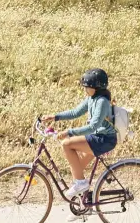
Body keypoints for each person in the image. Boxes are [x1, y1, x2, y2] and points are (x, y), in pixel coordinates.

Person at [41, 68, 117, 201]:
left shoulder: (102, 102)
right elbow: (75, 112)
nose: (85, 89)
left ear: (97, 87)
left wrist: (69, 132)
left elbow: (93, 126)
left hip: (105, 139)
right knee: (77, 169)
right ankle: (83, 206)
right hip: (97, 137)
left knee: (67, 144)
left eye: (87, 87)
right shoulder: (92, 99)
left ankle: (81, 184)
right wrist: (55, 116)